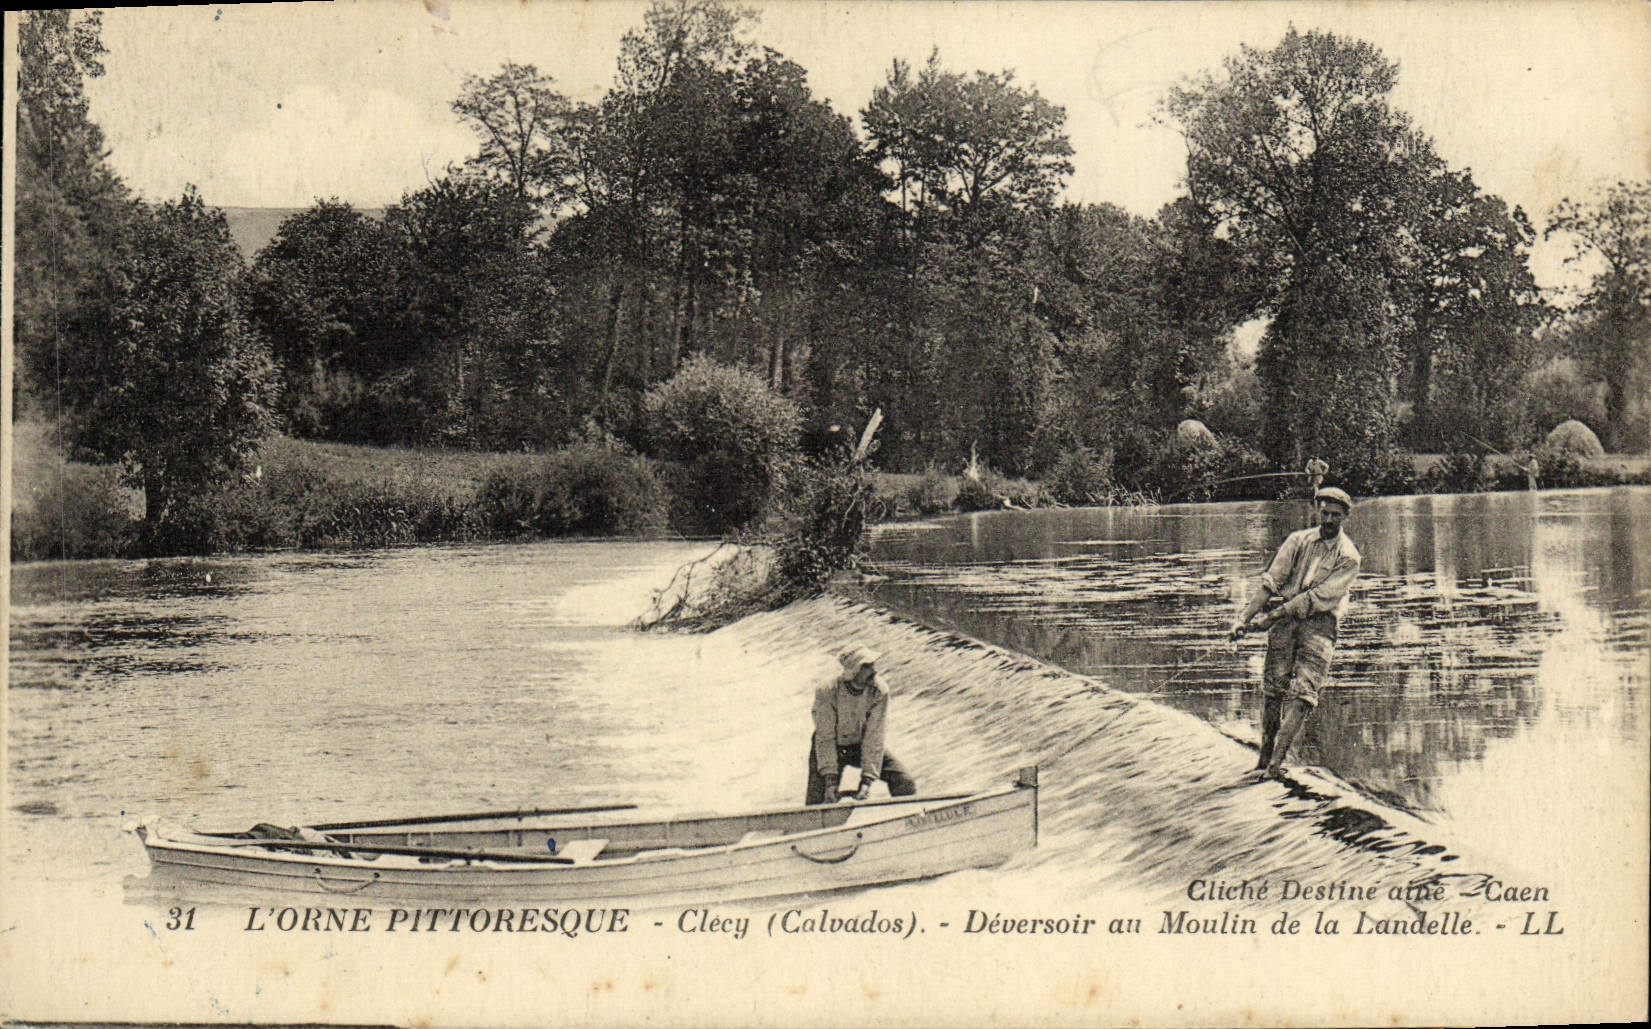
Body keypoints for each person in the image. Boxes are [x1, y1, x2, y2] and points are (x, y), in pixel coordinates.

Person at [1229, 486, 1362, 780]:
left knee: (1304, 695)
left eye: (1336, 516)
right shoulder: (1297, 541)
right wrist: (1244, 618)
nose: (1328, 520)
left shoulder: (1349, 556)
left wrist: (1272, 616)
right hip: (1284, 623)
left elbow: (1316, 597)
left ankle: (1276, 763)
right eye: (1324, 513)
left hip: (1321, 625)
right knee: (1273, 691)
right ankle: (1263, 760)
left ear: (1345, 517)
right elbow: (1271, 583)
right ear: (1316, 510)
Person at [805, 646, 918, 804]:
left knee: (904, 782)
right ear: (853, 671)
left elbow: (875, 736)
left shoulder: (879, 690)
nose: (874, 671)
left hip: (861, 744)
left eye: (872, 665)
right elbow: (825, 737)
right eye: (866, 667)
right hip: (831, 746)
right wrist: (831, 780)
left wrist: (867, 781)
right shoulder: (827, 690)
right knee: (817, 800)